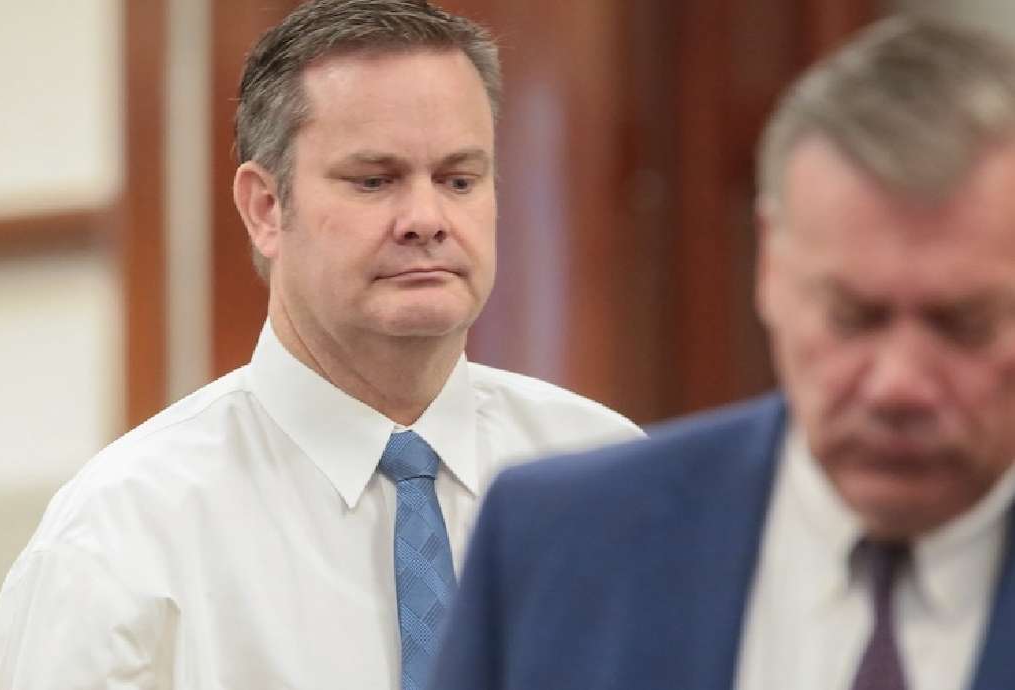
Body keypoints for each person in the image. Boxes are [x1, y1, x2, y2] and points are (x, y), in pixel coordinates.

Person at [0, 1, 642, 689]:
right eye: (374, 181)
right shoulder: (123, 531)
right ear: (265, 208)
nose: (427, 219)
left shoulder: (608, 474)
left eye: (459, 179)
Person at [428, 14, 1015, 690]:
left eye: (963, 324)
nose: (898, 384)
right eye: (852, 318)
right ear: (770, 264)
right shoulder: (558, 545)